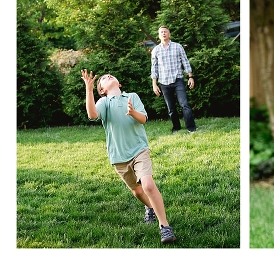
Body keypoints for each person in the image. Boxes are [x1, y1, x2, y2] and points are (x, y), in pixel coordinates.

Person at [81, 69, 177, 245]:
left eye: (110, 75)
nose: (108, 76)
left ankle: (164, 227)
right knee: (137, 191)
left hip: (139, 149)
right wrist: (88, 89)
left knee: (148, 185)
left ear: (119, 83)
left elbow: (143, 119)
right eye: (104, 78)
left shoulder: (132, 96)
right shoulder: (104, 102)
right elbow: (92, 115)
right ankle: (149, 207)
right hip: (119, 156)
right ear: (102, 90)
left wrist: (133, 113)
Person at [151, 25, 197, 133]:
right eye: (161, 32)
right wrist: (154, 84)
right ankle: (176, 127)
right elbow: (154, 68)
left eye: (165, 31)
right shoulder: (156, 50)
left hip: (178, 80)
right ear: (159, 35)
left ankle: (191, 127)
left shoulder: (178, 46)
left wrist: (190, 77)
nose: (163, 33)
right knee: (171, 108)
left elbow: (185, 61)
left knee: (184, 104)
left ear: (169, 34)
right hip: (164, 83)